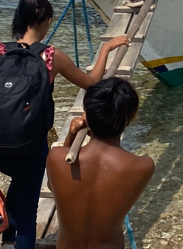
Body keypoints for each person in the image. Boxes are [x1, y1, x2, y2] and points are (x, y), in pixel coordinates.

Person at [0, 0, 131, 249]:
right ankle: (19, 242)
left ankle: (8, 241)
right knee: (29, 208)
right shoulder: (51, 56)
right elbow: (91, 82)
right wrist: (106, 48)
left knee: (18, 182)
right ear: (47, 21)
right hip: (29, 148)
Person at [47, 77, 154, 249]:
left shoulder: (56, 157)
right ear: (129, 118)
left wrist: (71, 136)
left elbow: (54, 186)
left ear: (87, 116)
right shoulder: (143, 166)